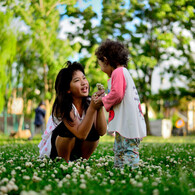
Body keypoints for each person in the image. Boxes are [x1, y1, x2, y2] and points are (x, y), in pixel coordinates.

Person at [38, 61, 107, 162]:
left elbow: (101, 131)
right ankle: (64, 162)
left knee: (93, 131)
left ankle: (82, 161)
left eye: (84, 78)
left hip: (76, 148)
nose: (83, 82)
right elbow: (81, 134)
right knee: (66, 129)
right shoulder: (62, 106)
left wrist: (99, 107)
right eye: (77, 80)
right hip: (55, 152)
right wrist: (93, 108)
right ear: (68, 89)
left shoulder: (89, 102)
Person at [94, 39, 147, 169]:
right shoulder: (120, 73)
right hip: (126, 122)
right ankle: (119, 170)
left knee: (129, 149)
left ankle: (131, 171)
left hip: (129, 122)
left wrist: (102, 101)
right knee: (119, 148)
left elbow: (117, 95)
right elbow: (116, 94)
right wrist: (105, 95)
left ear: (105, 60)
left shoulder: (118, 72)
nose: (100, 68)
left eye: (100, 64)